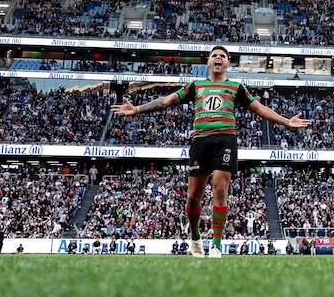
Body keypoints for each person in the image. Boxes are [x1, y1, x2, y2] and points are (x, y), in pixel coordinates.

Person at [113, 45, 311, 259]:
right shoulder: (196, 85)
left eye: (222, 56)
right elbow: (166, 101)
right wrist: (137, 109)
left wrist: (285, 121)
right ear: (209, 62)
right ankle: (196, 238)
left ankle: (216, 246)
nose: (218, 58)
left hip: (225, 140)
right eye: (214, 55)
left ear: (228, 63)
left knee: (220, 189)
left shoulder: (236, 87)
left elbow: (258, 108)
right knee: (193, 198)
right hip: (200, 141)